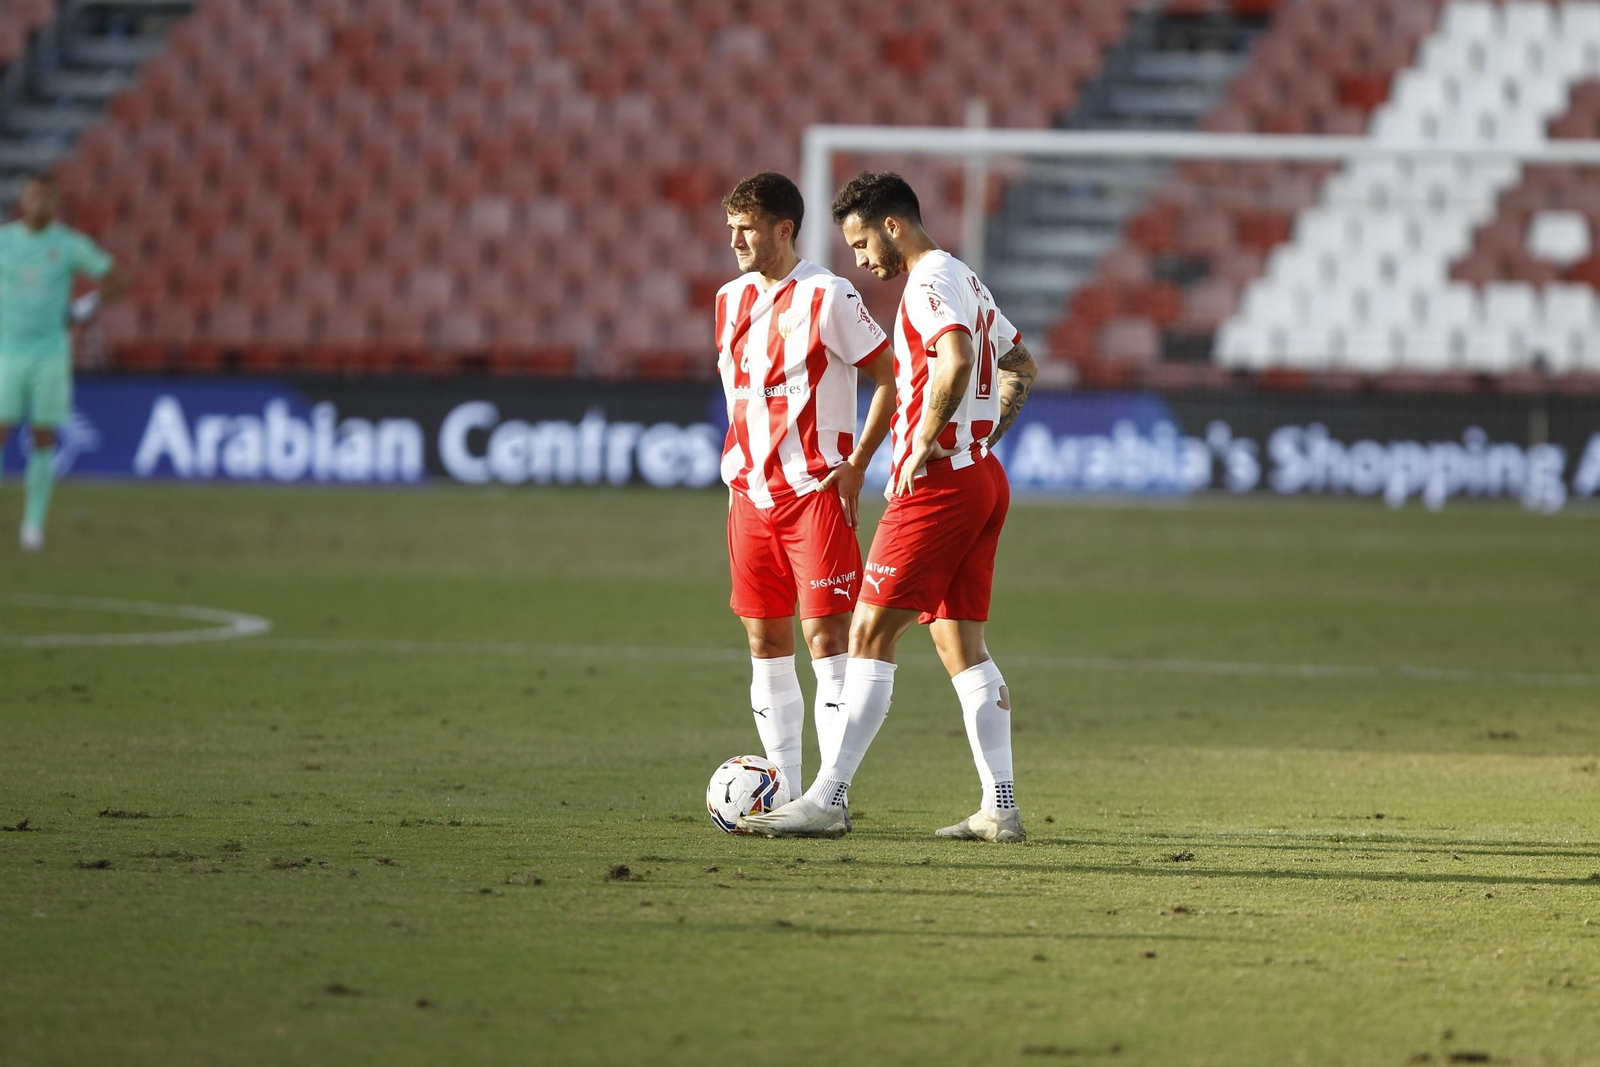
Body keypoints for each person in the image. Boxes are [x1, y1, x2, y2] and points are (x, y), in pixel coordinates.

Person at [739, 171, 1039, 841]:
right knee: (959, 641)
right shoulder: (966, 277)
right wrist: (979, 438)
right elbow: (1021, 363)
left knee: (868, 634)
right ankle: (1002, 805)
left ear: (893, 225)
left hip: (937, 490)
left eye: (861, 241)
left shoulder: (929, 283)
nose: (859, 258)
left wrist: (923, 443)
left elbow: (957, 359)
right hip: (982, 477)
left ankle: (828, 797)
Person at [715, 171, 896, 803]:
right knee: (765, 639)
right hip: (748, 496)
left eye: (748, 228)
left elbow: (889, 378)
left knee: (827, 640)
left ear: (782, 229)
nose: (736, 240)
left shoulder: (830, 294)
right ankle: (782, 794)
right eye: (731, 227)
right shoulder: (727, 300)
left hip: (815, 492)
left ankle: (830, 795)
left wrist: (859, 460)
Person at [0, 173, 125, 551]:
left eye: (47, 195)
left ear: (55, 203)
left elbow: (114, 279)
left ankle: (33, 524)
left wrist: (83, 308)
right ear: (23, 199)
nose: (40, 201)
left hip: (50, 355)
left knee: (43, 435)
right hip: (7, 353)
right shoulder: (4, 241)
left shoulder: (68, 245)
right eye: (34, 194)